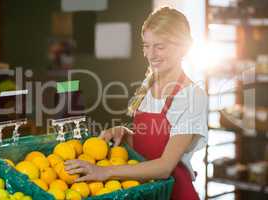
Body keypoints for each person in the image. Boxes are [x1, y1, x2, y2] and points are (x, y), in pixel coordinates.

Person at [64, 7, 208, 200]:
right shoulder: (150, 84)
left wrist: (104, 171)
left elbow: (165, 167)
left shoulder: (192, 96)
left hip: (174, 194)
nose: (150, 54)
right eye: (146, 45)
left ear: (183, 47)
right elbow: (150, 145)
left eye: (160, 46)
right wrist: (125, 134)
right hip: (146, 191)